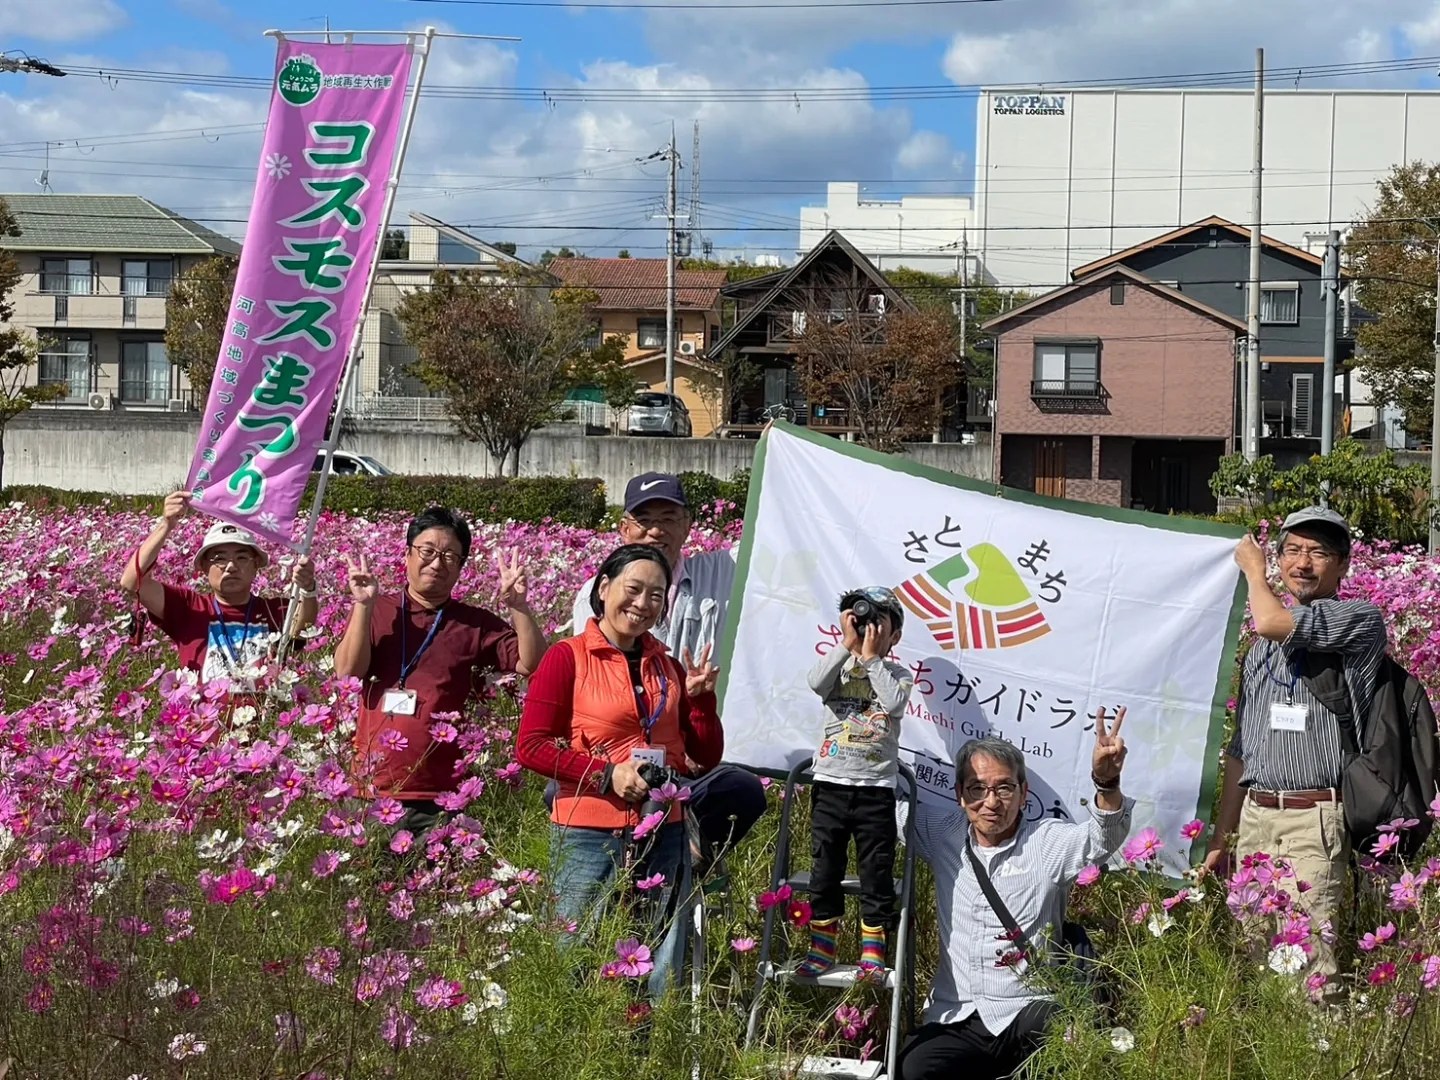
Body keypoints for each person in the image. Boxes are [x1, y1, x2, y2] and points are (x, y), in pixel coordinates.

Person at [519, 543, 723, 998]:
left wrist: (701, 700)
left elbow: (705, 756)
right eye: (633, 589)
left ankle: (646, 1055)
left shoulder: (667, 665)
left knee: (658, 956)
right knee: (571, 952)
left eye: (656, 595)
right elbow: (529, 747)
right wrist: (605, 774)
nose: (643, 603)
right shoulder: (566, 656)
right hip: (587, 832)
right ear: (604, 587)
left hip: (662, 828)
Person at [1202, 507, 1388, 985]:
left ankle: (1320, 1053)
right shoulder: (1260, 648)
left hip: (1314, 819)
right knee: (1256, 964)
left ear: (1343, 565)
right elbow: (1241, 751)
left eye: (1319, 552)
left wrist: (1252, 569)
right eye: (1292, 550)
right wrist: (1222, 839)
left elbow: (1270, 621)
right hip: (1257, 818)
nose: (1302, 563)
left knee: (1308, 972)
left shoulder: (1358, 620)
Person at [897, 717, 1133, 1080]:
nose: (991, 802)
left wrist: (1107, 782)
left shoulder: (1046, 841)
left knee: (1059, 1041)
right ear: (960, 794)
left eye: (1004, 788)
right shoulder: (941, 832)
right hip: (956, 1015)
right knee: (914, 1068)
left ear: (1024, 793)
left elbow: (1103, 839)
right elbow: (878, 806)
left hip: (1027, 1012)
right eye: (978, 789)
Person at [569, 472, 767, 876]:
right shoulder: (596, 592)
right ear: (624, 528)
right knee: (566, 792)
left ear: (689, 525)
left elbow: (772, 534)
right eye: (643, 520)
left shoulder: (722, 573)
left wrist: (777, 451)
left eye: (668, 518)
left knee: (741, 790)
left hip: (691, 757)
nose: (655, 530)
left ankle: (679, 861)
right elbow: (585, 690)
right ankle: (665, 864)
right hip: (615, 763)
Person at [335, 506, 546, 834]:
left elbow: (533, 665)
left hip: (443, 798)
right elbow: (347, 671)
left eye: (450, 556)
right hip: (372, 791)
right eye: (427, 551)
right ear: (406, 555)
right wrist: (363, 606)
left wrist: (519, 607)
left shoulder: (475, 624)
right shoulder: (379, 610)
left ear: (461, 567)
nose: (436, 562)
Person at [797, 587, 913, 978]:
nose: (869, 629)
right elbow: (815, 683)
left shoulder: (896, 673)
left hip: (876, 791)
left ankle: (873, 952)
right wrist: (848, 644)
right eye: (864, 620)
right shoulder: (838, 664)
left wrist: (871, 658)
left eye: (880, 623)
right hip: (830, 785)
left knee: (875, 872)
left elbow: (895, 705)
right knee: (824, 868)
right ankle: (822, 948)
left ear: (895, 635)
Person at [119, 490, 317, 689]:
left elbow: (302, 629)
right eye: (219, 558)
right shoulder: (188, 607)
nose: (231, 566)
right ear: (204, 566)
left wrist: (308, 588)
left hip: (265, 718)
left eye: (241, 557)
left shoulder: (276, 610)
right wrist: (166, 525)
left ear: (256, 565)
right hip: (202, 718)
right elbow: (132, 581)